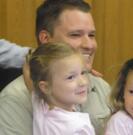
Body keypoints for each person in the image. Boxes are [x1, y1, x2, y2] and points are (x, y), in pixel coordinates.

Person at [0, 0, 111, 135]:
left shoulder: (100, 86)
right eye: (75, 35)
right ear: (45, 39)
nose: (89, 45)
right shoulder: (15, 99)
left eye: (91, 35)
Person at [29, 43, 95, 135]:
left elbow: (27, 67)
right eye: (71, 77)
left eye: (83, 72)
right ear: (46, 87)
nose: (83, 82)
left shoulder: (39, 104)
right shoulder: (78, 128)